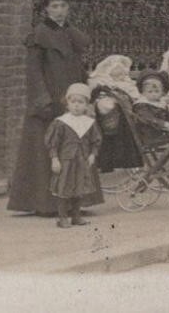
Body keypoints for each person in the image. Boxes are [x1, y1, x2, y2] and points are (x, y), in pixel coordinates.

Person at [9, 0, 103, 216]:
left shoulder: (70, 34)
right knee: (48, 150)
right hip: (50, 101)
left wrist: (86, 90)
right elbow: (34, 72)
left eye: (63, 6)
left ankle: (76, 202)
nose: (59, 10)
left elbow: (78, 67)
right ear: (46, 9)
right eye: (54, 6)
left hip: (73, 100)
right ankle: (45, 204)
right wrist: (43, 101)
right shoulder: (39, 35)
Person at [46, 83, 102, 228]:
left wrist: (93, 154)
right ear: (67, 103)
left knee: (79, 188)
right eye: (73, 102)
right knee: (64, 188)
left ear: (86, 105)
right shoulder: (61, 122)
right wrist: (54, 159)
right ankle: (62, 218)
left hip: (82, 160)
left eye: (80, 102)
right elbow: (53, 143)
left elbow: (95, 141)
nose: (76, 105)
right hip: (66, 161)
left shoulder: (89, 123)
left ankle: (76, 216)